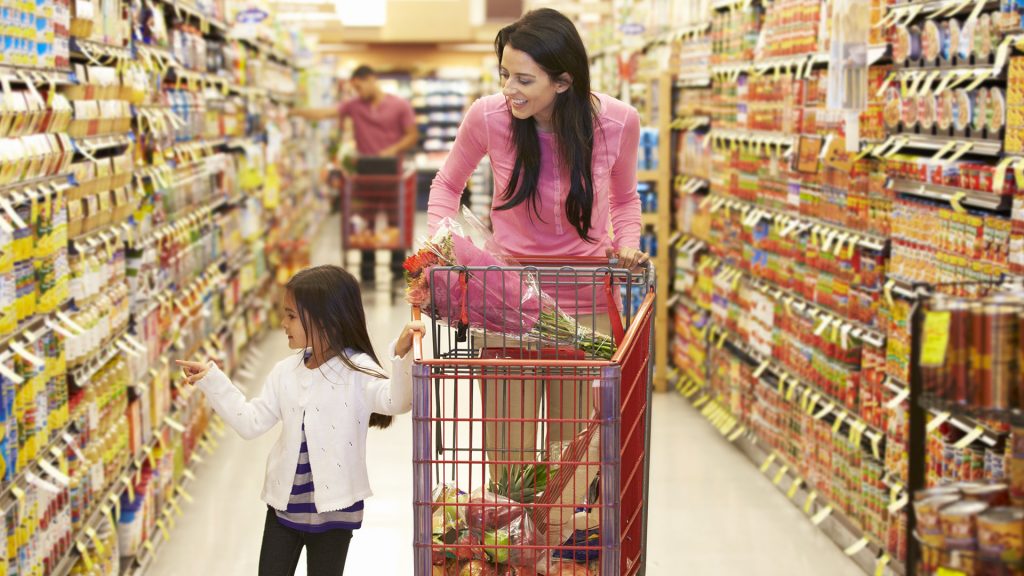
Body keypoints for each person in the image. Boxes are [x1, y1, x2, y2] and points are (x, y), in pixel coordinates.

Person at [426, 7, 650, 544]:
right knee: (511, 452)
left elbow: (623, 200)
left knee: (572, 456)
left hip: (584, 301)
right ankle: (513, 549)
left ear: (564, 79)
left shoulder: (617, 122)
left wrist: (627, 247)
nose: (509, 90)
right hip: (505, 301)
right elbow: (445, 187)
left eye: (524, 79)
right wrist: (439, 245)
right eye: (504, 74)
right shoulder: (489, 117)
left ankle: (553, 548)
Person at [176, 265, 424, 576]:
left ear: (325, 319)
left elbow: (396, 401)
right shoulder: (284, 372)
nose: (283, 324)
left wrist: (400, 355)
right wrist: (213, 381)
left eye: (291, 316)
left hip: (336, 510)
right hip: (284, 509)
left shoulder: (357, 371)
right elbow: (250, 422)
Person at [294, 65, 419, 285]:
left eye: (360, 87)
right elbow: (325, 113)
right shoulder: (354, 106)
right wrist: (295, 111)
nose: (357, 92)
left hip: (393, 177)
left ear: (372, 80)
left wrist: (389, 151)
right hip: (364, 177)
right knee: (364, 224)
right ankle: (367, 272)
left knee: (395, 223)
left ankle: (397, 271)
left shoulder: (399, 105)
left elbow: (412, 135)